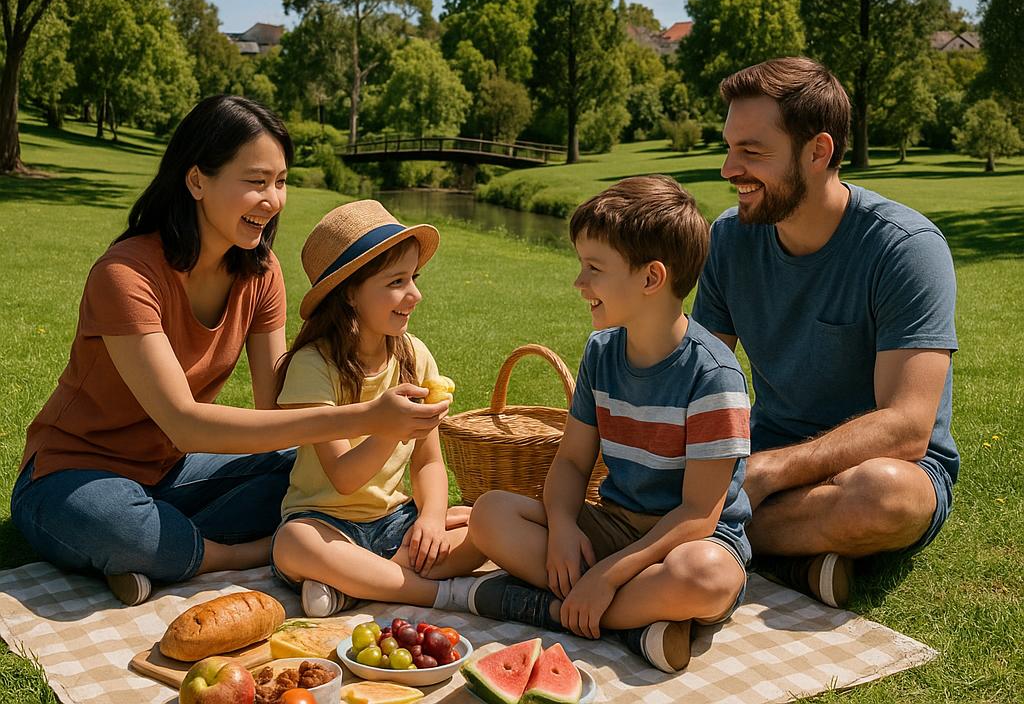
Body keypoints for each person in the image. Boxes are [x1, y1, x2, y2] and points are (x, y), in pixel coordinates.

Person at [11, 97, 447, 607]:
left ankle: (164, 553)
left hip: (175, 471)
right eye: (256, 181)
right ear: (197, 180)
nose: (273, 200)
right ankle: (241, 553)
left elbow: (275, 408)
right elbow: (185, 424)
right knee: (111, 521)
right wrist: (368, 416)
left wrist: (364, 362)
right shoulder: (125, 276)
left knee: (303, 471)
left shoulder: (260, 274)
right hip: (74, 474)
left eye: (280, 182)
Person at [692, 57, 959, 608]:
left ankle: (717, 534)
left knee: (883, 497)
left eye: (752, 152)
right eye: (729, 147)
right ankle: (798, 558)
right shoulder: (729, 240)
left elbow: (909, 426)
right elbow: (697, 379)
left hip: (883, 470)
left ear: (818, 151)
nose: (728, 169)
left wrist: (768, 472)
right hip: (764, 459)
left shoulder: (905, 248)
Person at [467, 176, 751, 673]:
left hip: (687, 544)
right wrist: (561, 527)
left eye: (594, 268)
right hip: (613, 524)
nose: (579, 283)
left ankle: (553, 608)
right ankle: (635, 622)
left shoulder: (714, 376)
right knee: (489, 513)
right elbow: (572, 462)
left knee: (704, 578)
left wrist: (609, 575)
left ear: (651, 278)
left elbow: (698, 516)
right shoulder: (601, 352)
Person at [271, 200, 487, 619]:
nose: (415, 294)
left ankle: (355, 585)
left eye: (414, 278)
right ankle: (440, 594)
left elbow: (428, 462)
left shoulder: (415, 356)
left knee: (486, 525)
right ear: (350, 293)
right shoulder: (313, 366)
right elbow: (345, 477)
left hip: (394, 523)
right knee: (293, 543)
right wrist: (390, 427)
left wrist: (431, 518)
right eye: (396, 281)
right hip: (326, 524)